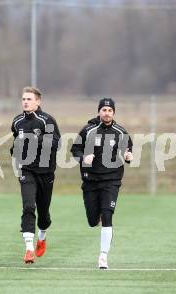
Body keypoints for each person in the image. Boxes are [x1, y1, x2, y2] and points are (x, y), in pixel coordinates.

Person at [71, 98, 133, 269]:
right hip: (90, 180)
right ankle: (96, 217)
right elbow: (75, 149)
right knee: (92, 220)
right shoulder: (88, 130)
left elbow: (128, 149)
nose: (107, 113)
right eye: (104, 110)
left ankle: (103, 257)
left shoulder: (120, 132)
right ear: (99, 111)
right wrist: (84, 158)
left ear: (114, 113)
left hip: (111, 180)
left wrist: (128, 156)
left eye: (110, 110)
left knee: (107, 215)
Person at [10, 86, 61, 264]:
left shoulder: (47, 121)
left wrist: (35, 140)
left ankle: (42, 235)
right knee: (28, 207)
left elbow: (56, 144)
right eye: (23, 99)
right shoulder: (17, 122)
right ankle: (29, 248)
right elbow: (16, 142)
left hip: (46, 172)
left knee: (44, 214)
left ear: (38, 101)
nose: (25, 102)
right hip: (26, 170)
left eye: (29, 99)